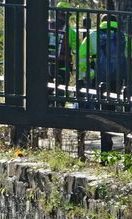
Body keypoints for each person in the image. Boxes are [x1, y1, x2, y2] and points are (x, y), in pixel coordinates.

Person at [77, 14, 132, 153]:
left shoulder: (93, 36)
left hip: (99, 79)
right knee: (119, 109)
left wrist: (87, 75)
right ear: (116, 23)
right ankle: (126, 146)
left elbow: (82, 55)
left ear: (102, 22)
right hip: (118, 80)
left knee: (102, 111)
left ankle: (105, 144)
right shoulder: (123, 37)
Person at [47, 2, 78, 145]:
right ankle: (57, 131)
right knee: (60, 97)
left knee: (45, 96)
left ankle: (41, 128)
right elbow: (77, 48)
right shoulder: (70, 31)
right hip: (63, 67)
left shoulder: (47, 26)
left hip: (46, 67)